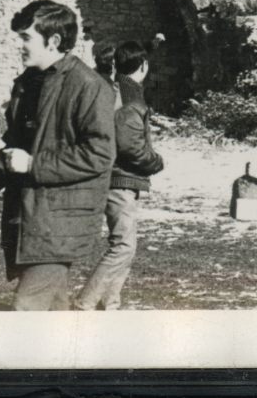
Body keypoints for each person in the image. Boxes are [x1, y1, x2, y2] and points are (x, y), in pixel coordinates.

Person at [0, 0, 115, 310]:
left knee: (27, 310)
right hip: (30, 214)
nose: (19, 45)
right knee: (54, 311)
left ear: (54, 40)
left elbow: (100, 153)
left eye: (26, 37)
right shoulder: (27, 83)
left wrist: (32, 164)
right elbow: (16, 140)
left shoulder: (89, 86)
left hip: (59, 220)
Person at [75, 40, 165, 311]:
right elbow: (129, 144)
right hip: (120, 179)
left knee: (125, 245)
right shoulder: (129, 96)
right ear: (144, 66)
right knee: (123, 245)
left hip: (118, 177)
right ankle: (85, 303)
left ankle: (110, 302)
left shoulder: (118, 90)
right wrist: (156, 161)